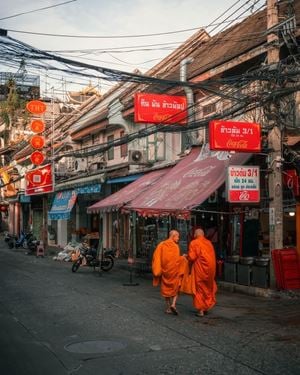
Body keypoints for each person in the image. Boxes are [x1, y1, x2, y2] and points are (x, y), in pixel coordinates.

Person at [152, 230, 185, 315]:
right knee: (177, 287)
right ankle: (173, 304)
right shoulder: (175, 247)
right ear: (173, 236)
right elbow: (176, 261)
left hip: (165, 272)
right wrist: (183, 258)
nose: (178, 238)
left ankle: (168, 307)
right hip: (174, 272)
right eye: (177, 237)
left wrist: (158, 269)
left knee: (165, 289)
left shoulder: (162, 245)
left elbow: (156, 257)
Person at [186, 228, 217, 317]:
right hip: (211, 270)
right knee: (208, 288)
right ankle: (206, 307)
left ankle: (201, 310)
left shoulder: (194, 243)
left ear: (196, 235)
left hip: (200, 270)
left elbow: (192, 257)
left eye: (194, 234)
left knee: (199, 288)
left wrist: (186, 256)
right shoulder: (209, 243)